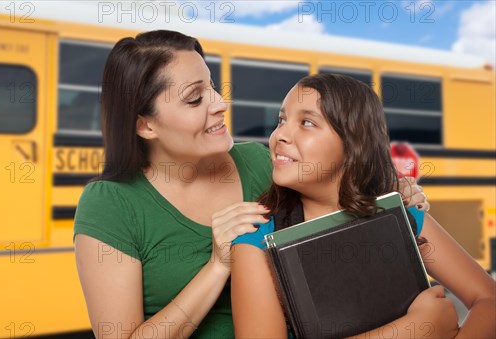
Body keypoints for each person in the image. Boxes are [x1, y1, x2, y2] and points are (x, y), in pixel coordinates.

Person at [73, 30, 428, 338]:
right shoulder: (111, 204)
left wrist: (389, 193)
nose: (220, 103)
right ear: (145, 126)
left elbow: (337, 213)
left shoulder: (259, 163)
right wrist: (217, 266)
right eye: (195, 99)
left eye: (211, 86)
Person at [231, 74, 496, 339]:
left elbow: (488, 300)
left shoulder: (401, 214)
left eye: (307, 122)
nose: (280, 136)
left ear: (352, 143)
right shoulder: (255, 239)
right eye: (282, 120)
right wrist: (410, 330)